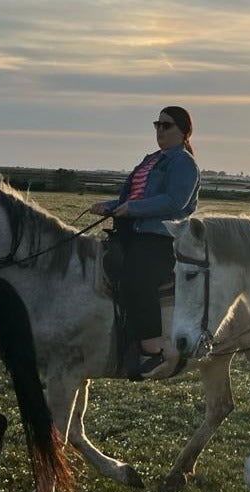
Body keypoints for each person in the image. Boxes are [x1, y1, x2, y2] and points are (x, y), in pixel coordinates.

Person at [89, 106, 201, 378]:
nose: (160, 130)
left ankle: (152, 350)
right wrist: (111, 206)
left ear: (184, 131)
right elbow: (136, 198)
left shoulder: (183, 162)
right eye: (157, 124)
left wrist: (132, 209)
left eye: (167, 125)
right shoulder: (152, 160)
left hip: (160, 236)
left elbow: (175, 201)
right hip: (132, 232)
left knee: (137, 278)